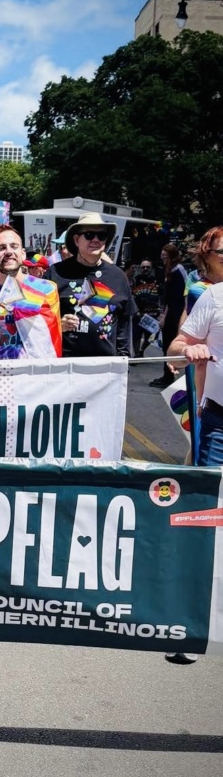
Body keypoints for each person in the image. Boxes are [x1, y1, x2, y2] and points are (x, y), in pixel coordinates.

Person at [165, 225, 223, 665]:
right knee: (206, 519)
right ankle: (193, 623)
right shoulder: (214, 298)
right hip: (219, 421)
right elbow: (175, 346)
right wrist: (190, 350)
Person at [0, 225, 61, 360]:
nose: (8, 252)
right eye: (1, 248)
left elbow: (54, 340)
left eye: (14, 246)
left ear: (23, 254)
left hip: (36, 376)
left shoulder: (46, 290)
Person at [46, 213, 135, 358]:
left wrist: (125, 359)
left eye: (101, 236)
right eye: (89, 235)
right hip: (66, 366)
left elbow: (125, 322)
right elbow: (40, 320)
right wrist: (58, 325)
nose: (95, 239)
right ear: (76, 240)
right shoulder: (55, 273)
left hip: (107, 367)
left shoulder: (117, 276)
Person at [150, 244, 188, 388]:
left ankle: (168, 376)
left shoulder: (177, 271)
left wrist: (165, 316)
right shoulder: (172, 270)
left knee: (169, 345)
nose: (162, 257)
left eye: (165, 254)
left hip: (175, 316)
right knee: (166, 345)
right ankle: (168, 374)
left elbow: (176, 299)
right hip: (171, 313)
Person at [129, 259, 161, 358]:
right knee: (136, 336)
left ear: (151, 268)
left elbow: (162, 296)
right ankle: (137, 354)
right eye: (143, 267)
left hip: (152, 314)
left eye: (147, 267)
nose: (145, 269)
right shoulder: (135, 280)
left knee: (152, 336)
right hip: (138, 313)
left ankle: (142, 350)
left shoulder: (157, 281)